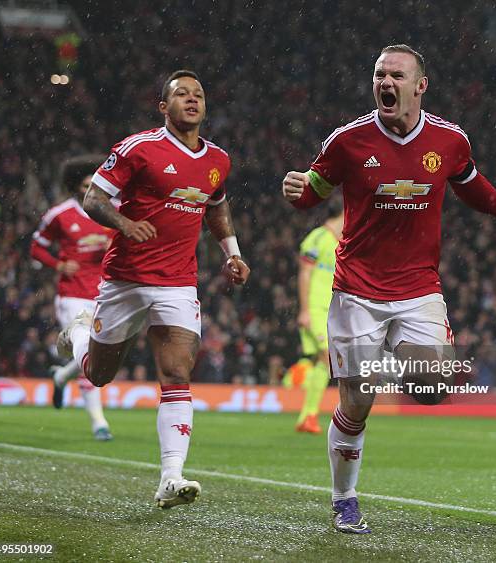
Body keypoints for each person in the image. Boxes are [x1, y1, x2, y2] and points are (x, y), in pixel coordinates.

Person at [282, 44, 496, 533]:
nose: (385, 83)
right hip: (357, 290)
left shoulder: (449, 140)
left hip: (417, 287)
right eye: (379, 75)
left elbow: (468, 182)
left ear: (420, 85)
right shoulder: (348, 141)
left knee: (434, 388)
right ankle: (345, 498)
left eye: (396, 75)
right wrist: (298, 191)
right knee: (357, 399)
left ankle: (391, 355)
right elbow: (313, 191)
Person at [57, 70, 250, 509]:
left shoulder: (218, 159)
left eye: (198, 94)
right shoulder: (138, 148)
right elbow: (94, 199)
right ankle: (78, 336)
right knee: (98, 375)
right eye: (181, 94)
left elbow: (216, 208)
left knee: (177, 374)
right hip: (124, 279)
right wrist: (125, 223)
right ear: (164, 107)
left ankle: (171, 476)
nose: (192, 99)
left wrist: (231, 253)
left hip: (178, 282)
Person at [30, 155, 113, 441]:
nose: (90, 188)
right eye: (85, 183)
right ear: (74, 186)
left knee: (102, 354)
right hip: (72, 295)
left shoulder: (109, 212)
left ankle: (61, 376)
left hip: (105, 293)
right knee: (89, 349)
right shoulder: (60, 215)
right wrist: (59, 265)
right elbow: (37, 247)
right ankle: (99, 423)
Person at [293, 199, 343, 433]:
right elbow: (304, 273)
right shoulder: (318, 237)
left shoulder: (343, 242)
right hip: (315, 310)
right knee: (326, 357)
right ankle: (309, 415)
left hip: (333, 311)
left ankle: (307, 416)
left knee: (322, 362)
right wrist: (304, 310)